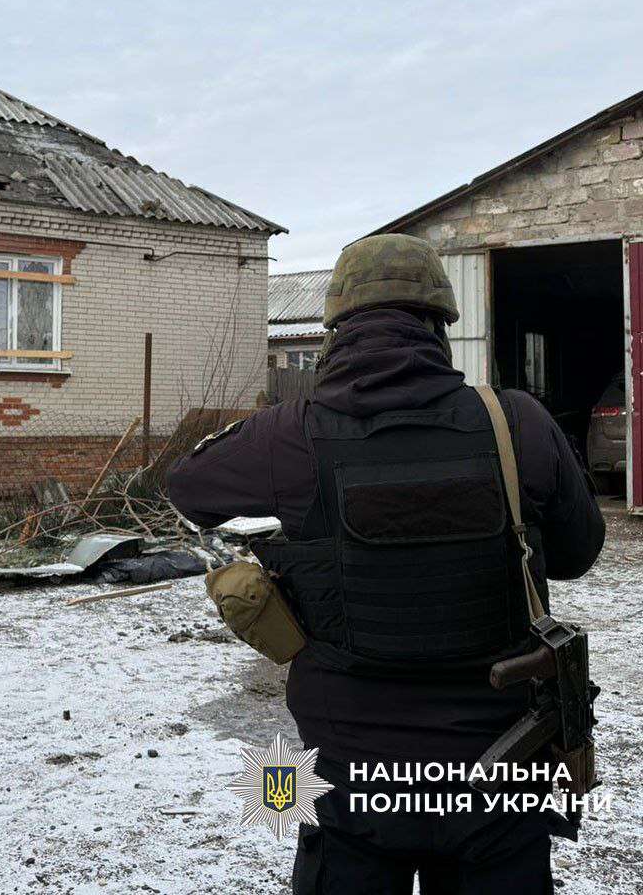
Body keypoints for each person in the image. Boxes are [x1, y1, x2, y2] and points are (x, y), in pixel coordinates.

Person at [167, 234, 605, 895]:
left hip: (349, 778)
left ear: (335, 329)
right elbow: (578, 554)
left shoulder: (289, 432)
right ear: (440, 325)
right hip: (500, 769)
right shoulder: (516, 422)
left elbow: (188, 488)